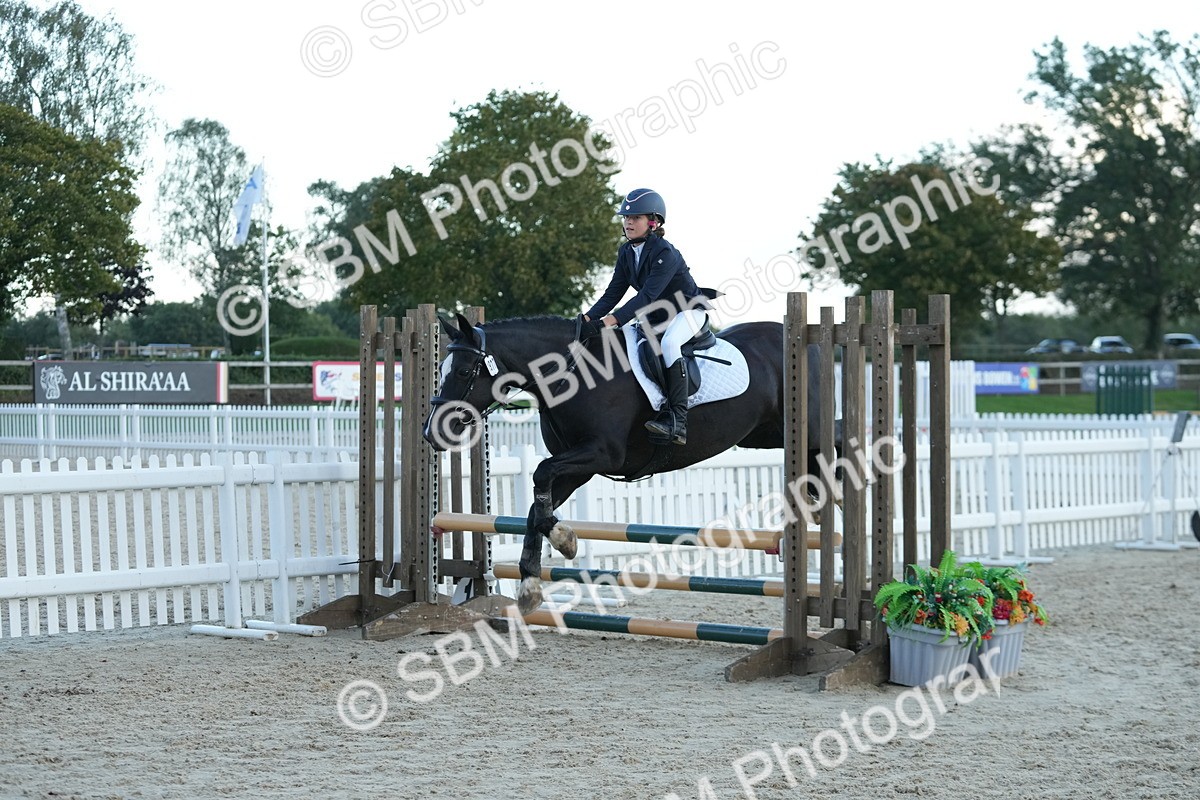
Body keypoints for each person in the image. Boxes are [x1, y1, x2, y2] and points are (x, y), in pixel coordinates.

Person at [578, 188, 716, 446]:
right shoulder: (626, 252)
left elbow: (646, 297)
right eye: (626, 218)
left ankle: (678, 421)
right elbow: (612, 294)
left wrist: (610, 321)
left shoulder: (665, 252)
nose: (628, 222)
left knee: (670, 344)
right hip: (658, 317)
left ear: (653, 222)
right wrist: (587, 319)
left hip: (687, 311)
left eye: (636, 218)